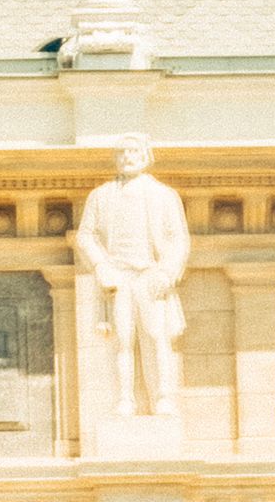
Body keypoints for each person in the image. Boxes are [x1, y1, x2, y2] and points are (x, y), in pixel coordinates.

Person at [75, 136, 191, 424]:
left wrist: (166, 272)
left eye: (134, 151)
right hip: (118, 276)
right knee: (122, 341)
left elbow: (178, 238)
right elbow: (85, 235)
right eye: (123, 152)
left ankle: (163, 397)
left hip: (150, 276)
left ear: (145, 156)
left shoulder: (163, 195)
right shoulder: (101, 196)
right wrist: (101, 265)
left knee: (156, 337)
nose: (128, 157)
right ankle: (125, 399)